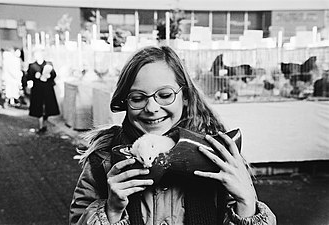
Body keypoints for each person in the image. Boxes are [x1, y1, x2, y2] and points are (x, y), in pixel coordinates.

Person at [69, 46, 276, 225]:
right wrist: (111, 211)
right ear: (125, 102)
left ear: (185, 97)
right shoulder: (103, 160)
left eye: (165, 95)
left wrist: (247, 205)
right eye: (138, 98)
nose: (151, 107)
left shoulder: (219, 156)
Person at [26, 47, 60, 133]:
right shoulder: (32, 65)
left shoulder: (48, 64)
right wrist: (34, 77)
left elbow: (54, 74)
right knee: (39, 107)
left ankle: (44, 123)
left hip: (47, 88)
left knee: (48, 107)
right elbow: (28, 76)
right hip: (37, 89)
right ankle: (41, 125)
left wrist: (49, 76)